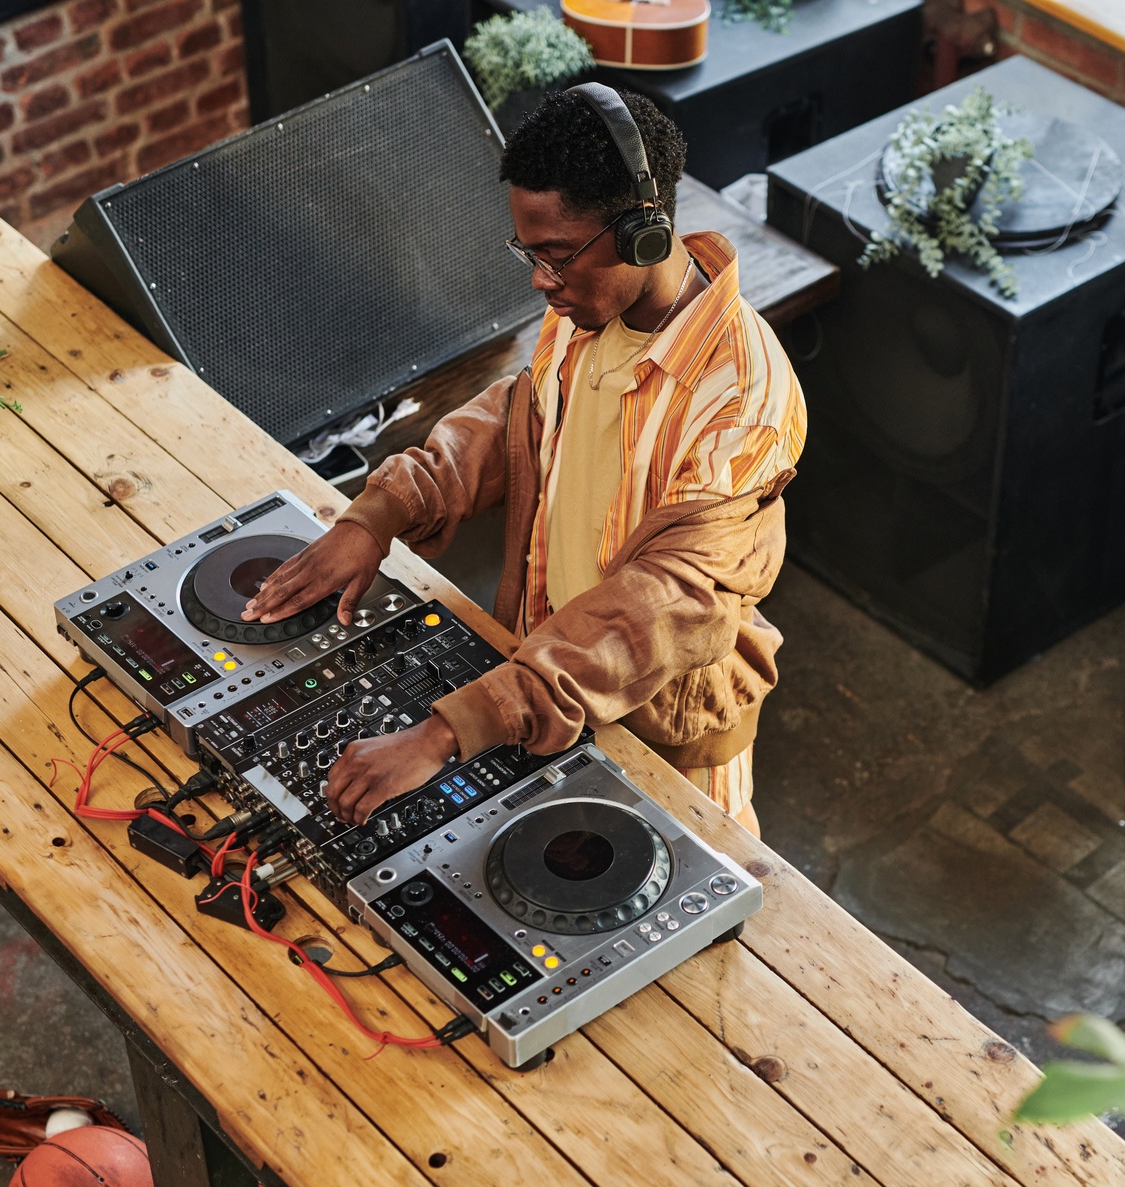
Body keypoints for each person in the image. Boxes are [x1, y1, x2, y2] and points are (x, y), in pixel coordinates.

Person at [240, 85, 806, 837]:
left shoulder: (744, 405)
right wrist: (381, 514)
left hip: (665, 738)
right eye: (529, 253)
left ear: (644, 231)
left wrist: (451, 729)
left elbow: (658, 606)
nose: (541, 281)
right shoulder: (587, 302)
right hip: (541, 682)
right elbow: (524, 412)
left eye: (558, 255)